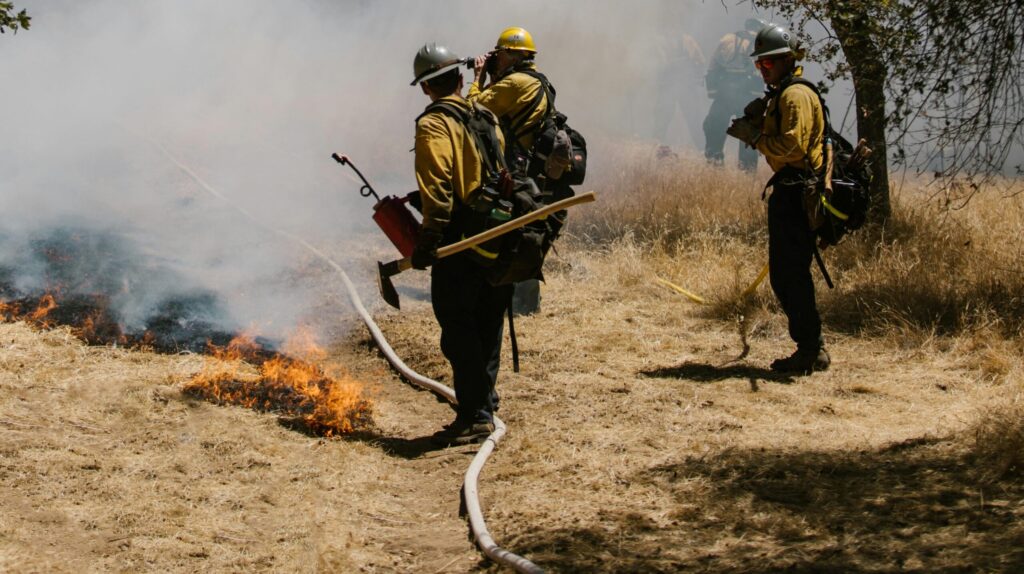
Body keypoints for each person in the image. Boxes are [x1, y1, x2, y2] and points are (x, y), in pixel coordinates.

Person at [410, 42, 513, 445]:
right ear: (457, 78)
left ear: (424, 88)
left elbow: (438, 190)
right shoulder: (484, 114)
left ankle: (474, 416)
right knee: (489, 320)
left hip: (460, 239)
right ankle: (484, 399)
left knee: (457, 326)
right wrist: (479, 82)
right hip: (498, 231)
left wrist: (428, 240)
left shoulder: (433, 125)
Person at [726, 23, 831, 374]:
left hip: (797, 191)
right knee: (788, 274)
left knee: (790, 276)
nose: (762, 69)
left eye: (768, 63)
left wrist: (755, 137)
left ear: (788, 60)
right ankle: (812, 347)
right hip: (791, 189)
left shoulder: (794, 95)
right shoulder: (783, 93)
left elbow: (794, 146)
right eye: (759, 64)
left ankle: (810, 350)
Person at [467, 27, 555, 316]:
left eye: (498, 54)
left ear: (513, 55)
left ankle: (514, 300)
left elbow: (472, 110)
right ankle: (524, 300)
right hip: (530, 168)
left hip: (516, 169)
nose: (494, 59)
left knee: (511, 231)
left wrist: (477, 78)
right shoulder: (534, 80)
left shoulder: (514, 83)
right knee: (526, 228)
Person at [704, 18, 766, 171]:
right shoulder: (762, 44)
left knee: (714, 126)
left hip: (725, 90)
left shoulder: (727, 39)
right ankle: (747, 170)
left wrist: (714, 92)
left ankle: (714, 162)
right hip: (749, 93)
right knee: (749, 132)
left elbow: (712, 67)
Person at [651, 32, 706, 154]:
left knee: (693, 119)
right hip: (672, 86)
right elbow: (700, 62)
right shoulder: (686, 40)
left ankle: (703, 150)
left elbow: (700, 62)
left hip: (680, 86)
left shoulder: (685, 40)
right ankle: (656, 149)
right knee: (663, 119)